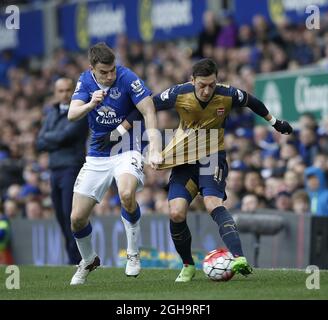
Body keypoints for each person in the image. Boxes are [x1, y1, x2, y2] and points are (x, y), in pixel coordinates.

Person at [102, 58, 293, 282]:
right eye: (202, 84)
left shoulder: (227, 94)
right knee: (176, 212)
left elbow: (253, 101)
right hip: (184, 159)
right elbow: (146, 107)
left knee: (213, 202)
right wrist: (119, 132)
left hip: (212, 155)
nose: (207, 90)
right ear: (192, 80)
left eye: (211, 84)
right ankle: (188, 265)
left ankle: (239, 258)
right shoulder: (179, 93)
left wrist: (275, 122)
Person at [68, 42, 161, 285]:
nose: (110, 76)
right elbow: (71, 113)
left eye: (112, 70)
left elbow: (149, 110)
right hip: (98, 153)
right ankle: (88, 259)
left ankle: (132, 254)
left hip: (127, 147)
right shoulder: (85, 82)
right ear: (92, 69)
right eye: (104, 72)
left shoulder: (127, 76)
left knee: (127, 194)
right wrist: (91, 104)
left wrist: (154, 147)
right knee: (77, 218)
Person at [36, 78, 88, 264]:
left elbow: (67, 135)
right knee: (60, 216)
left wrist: (51, 138)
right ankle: (73, 259)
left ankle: (79, 259)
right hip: (55, 170)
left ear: (73, 91)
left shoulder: (81, 111)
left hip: (71, 168)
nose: (64, 94)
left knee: (70, 215)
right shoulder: (52, 113)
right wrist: (54, 139)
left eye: (68, 90)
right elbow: (39, 141)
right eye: (61, 90)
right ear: (55, 92)